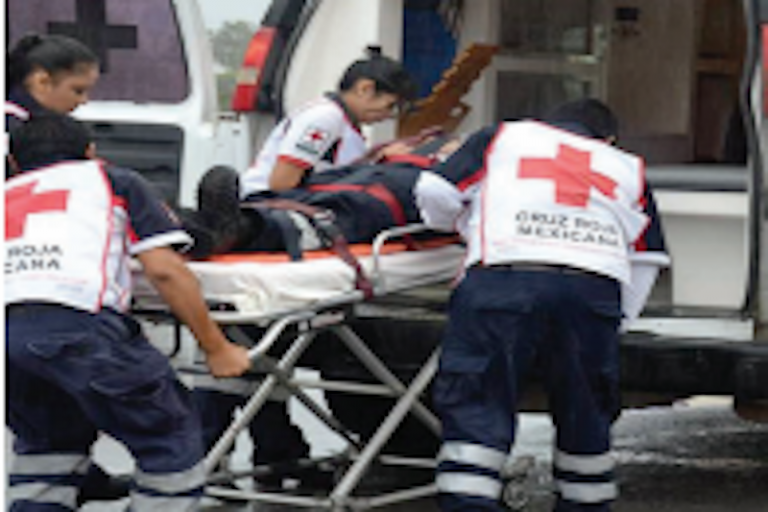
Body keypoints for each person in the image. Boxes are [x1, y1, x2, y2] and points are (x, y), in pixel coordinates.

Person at [416, 99, 670, 511]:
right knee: (586, 407)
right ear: (607, 139)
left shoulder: (503, 135)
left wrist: (455, 223)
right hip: (593, 287)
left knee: (480, 396)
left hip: (504, 278)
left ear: (544, 123)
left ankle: (470, 504)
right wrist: (616, 320)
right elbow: (647, 259)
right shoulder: (627, 165)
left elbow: (434, 189)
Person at [183, 135, 461, 491]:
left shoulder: (454, 173)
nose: (451, 147)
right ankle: (233, 225)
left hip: (387, 199)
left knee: (339, 215)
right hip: (350, 187)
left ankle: (227, 229)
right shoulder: (397, 156)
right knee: (304, 205)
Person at [5, 114, 252, 511]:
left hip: (8, 339)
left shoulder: (8, 192)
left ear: (15, 163)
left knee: (48, 443)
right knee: (168, 435)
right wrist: (216, 347)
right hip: (78, 325)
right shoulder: (110, 180)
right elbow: (165, 270)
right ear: (91, 153)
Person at [238, 46, 418, 198]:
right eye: (390, 105)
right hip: (265, 207)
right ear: (365, 89)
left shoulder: (342, 122)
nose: (388, 115)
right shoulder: (324, 118)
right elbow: (282, 182)